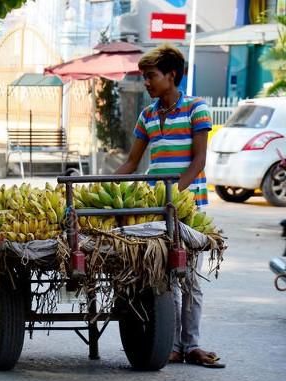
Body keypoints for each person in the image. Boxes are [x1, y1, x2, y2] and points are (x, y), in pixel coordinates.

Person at [115, 44, 225, 368]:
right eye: (144, 76)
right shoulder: (147, 115)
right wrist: (100, 183)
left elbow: (199, 160)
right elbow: (132, 162)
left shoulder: (197, 109)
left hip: (187, 206)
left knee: (189, 277)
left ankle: (191, 345)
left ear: (171, 75)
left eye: (150, 76)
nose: (146, 82)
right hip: (155, 210)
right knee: (165, 279)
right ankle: (173, 345)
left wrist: (173, 193)